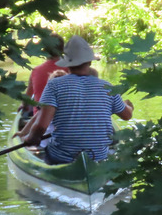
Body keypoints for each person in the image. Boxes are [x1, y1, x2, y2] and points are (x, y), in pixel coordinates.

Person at [23, 36, 133, 164]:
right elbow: (127, 115)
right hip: (97, 157)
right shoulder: (107, 87)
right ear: (90, 62)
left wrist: (30, 138)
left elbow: (41, 126)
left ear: (67, 63)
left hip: (63, 157)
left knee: (51, 149)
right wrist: (129, 106)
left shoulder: (54, 85)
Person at [22, 33, 65, 117]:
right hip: (64, 120)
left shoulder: (35, 71)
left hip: (39, 119)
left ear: (44, 50)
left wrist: (23, 106)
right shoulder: (71, 69)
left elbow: (27, 99)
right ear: (63, 50)